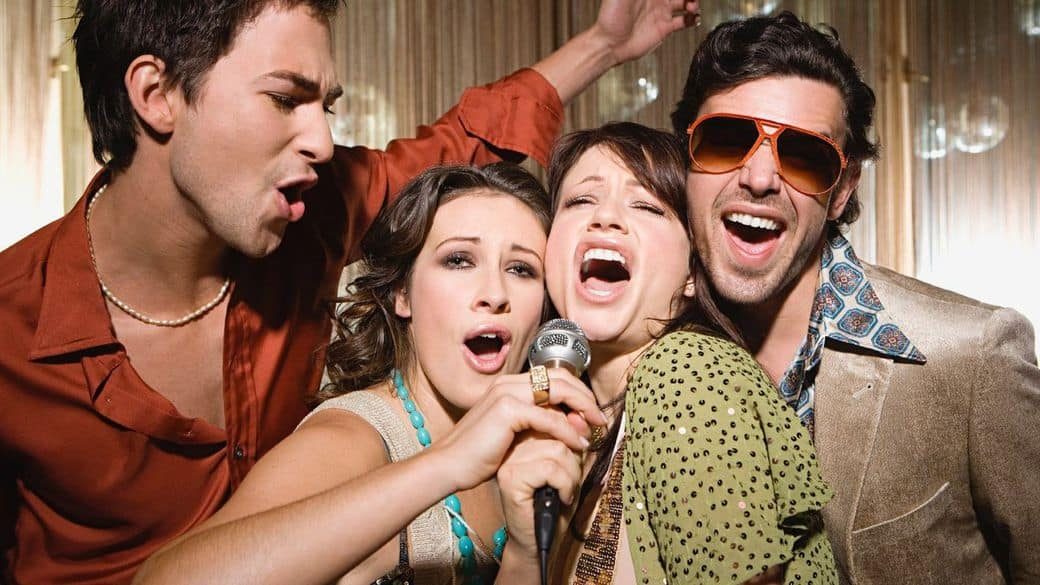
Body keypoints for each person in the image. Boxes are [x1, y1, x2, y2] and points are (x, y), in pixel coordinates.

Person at [0, 0, 700, 582]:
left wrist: (605, 44)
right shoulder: (10, 327)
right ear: (156, 95)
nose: (322, 141)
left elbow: (463, 151)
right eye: (285, 98)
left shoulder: (313, 210)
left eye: (522, 270)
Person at [671, 11, 1040, 584]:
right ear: (684, 163)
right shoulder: (643, 346)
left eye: (804, 155)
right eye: (725, 141)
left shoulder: (973, 357)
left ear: (842, 189)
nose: (760, 179)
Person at [132, 163, 608, 585]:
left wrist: (524, 555)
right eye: (459, 260)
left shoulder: (529, 450)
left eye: (521, 269)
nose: (494, 293)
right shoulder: (353, 438)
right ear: (403, 294)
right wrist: (446, 462)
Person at [540, 122, 837, 584]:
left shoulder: (685, 372)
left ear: (693, 276)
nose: (605, 218)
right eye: (580, 200)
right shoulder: (585, 426)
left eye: (646, 206)